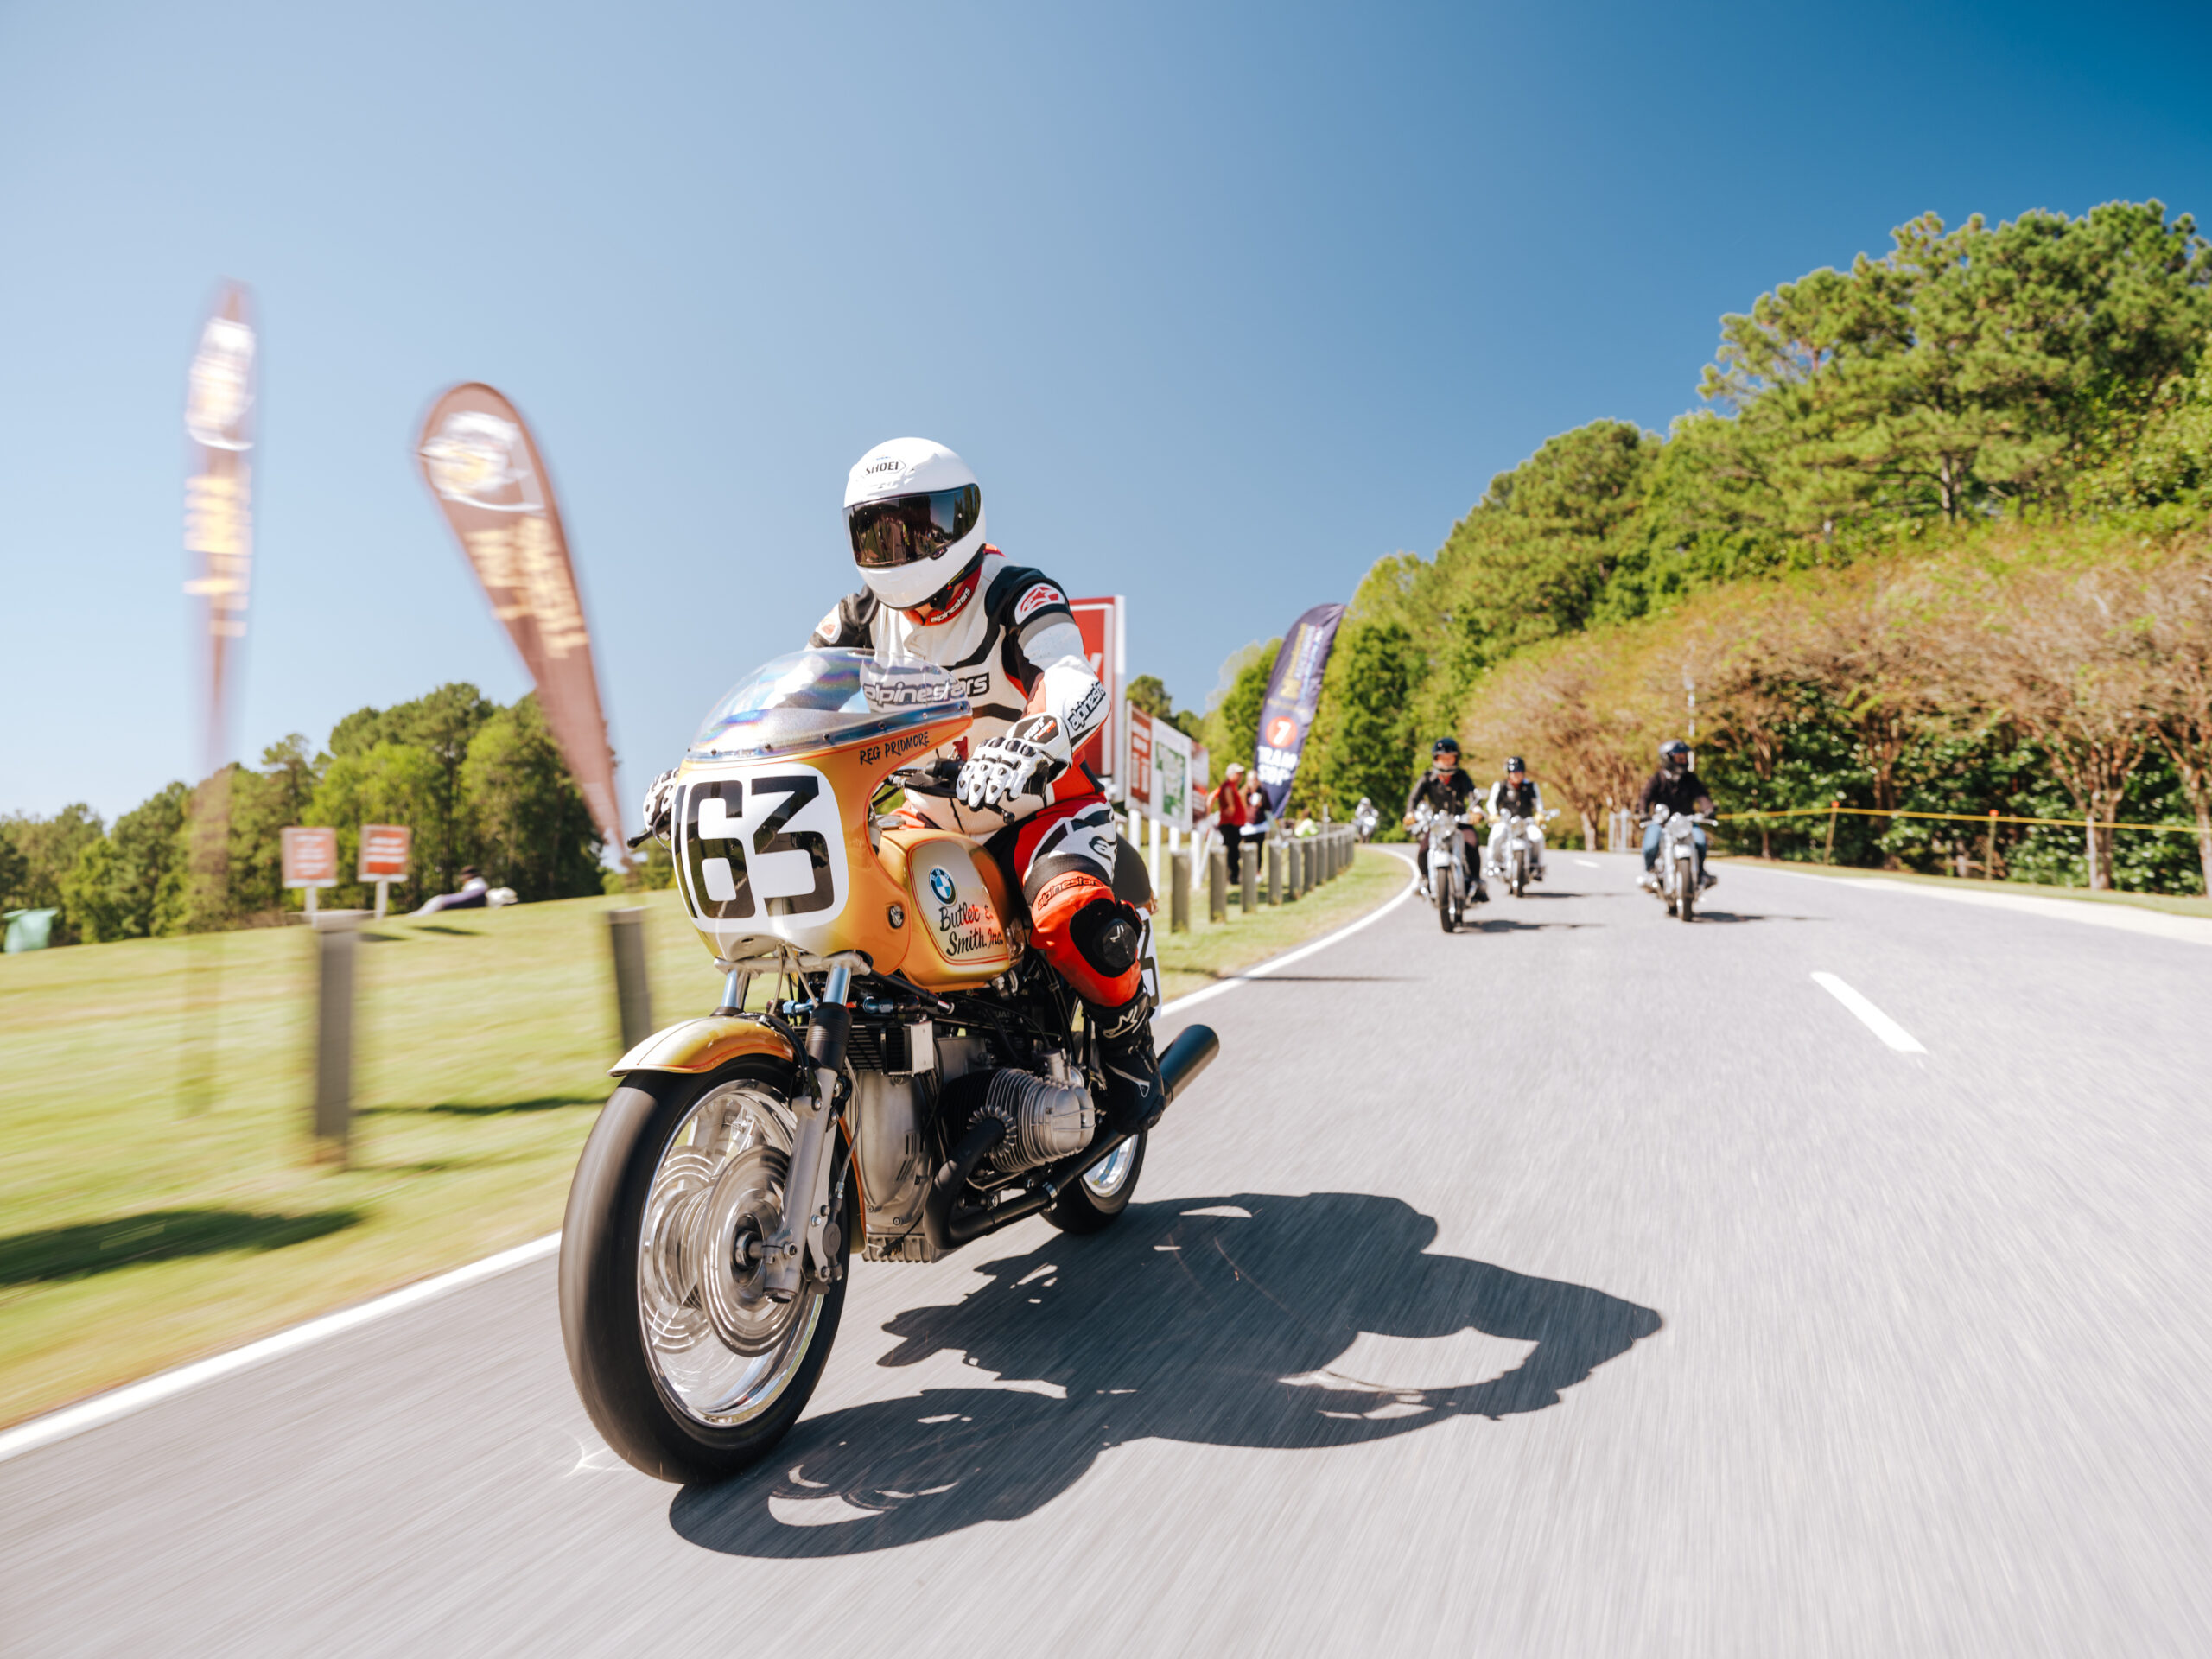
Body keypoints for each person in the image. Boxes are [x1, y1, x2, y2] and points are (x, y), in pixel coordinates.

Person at [642, 438, 1164, 1138]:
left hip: (1042, 806)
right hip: (926, 815)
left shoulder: (1014, 591)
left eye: (918, 526)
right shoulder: (856, 618)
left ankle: (1130, 1051)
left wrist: (1026, 746)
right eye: (878, 530)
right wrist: (696, 776)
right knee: (850, 925)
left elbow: (1072, 675)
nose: (900, 545)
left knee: (1071, 918)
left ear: (961, 518)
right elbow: (790, 706)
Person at [1402, 737, 1487, 903]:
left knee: (1472, 843)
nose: (1447, 762)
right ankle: (1425, 879)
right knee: (1423, 848)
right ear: (1436, 758)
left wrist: (1476, 809)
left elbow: (1472, 794)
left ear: (1456, 758)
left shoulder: (1462, 776)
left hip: (1460, 822)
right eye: (1443, 758)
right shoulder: (1428, 777)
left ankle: (1476, 882)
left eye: (1451, 758)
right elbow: (1414, 797)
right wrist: (1409, 813)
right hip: (1436, 824)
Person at [1638, 739, 1717, 889]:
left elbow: (1702, 796)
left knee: (1700, 842)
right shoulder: (1657, 778)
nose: (1683, 761)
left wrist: (1709, 809)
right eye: (1679, 758)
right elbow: (1645, 797)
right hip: (1662, 823)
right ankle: (1649, 872)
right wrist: (1643, 812)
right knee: (1650, 846)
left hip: (1686, 823)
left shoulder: (1690, 779)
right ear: (1667, 759)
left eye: (1684, 757)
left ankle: (1701, 873)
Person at [1484, 756, 1547, 882]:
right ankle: (1493, 863)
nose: (1517, 775)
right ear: (1508, 773)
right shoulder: (1501, 785)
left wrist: (1540, 813)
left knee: (1537, 837)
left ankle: (1536, 866)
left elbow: (1538, 802)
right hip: (1506, 822)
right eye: (1513, 772)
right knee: (1496, 835)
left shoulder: (1530, 786)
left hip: (1526, 822)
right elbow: (1492, 803)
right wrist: (1493, 814)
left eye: (1519, 772)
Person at [1211, 761, 1252, 882]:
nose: (1240, 776)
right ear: (1232, 774)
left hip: (1234, 824)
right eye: (1238, 774)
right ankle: (1233, 876)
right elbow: (1214, 797)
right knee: (1232, 851)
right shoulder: (1228, 786)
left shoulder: (1232, 786)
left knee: (1233, 850)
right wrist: (1231, 807)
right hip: (1229, 824)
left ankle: (1232, 875)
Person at [411, 866, 489, 916]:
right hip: (442, 901)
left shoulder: (476, 886)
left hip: (442, 902)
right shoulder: (482, 884)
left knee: (424, 911)